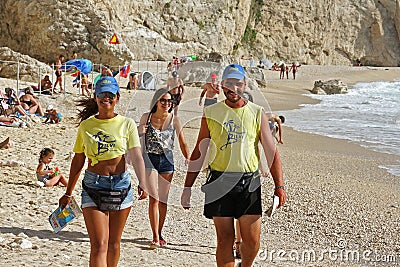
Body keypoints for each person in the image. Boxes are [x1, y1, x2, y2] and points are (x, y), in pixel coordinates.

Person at [181, 64, 286, 267]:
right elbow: (198, 152)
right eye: (229, 83)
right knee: (225, 239)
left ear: (244, 85)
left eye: (238, 83)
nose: (233, 88)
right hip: (219, 181)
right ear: (222, 85)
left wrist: (279, 186)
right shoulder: (211, 112)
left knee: (252, 241)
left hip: (249, 182)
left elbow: (271, 152)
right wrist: (187, 187)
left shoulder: (257, 112)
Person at [58, 76, 148, 266]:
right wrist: (68, 192)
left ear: (117, 97)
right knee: (99, 245)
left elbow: (136, 155)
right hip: (93, 185)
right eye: (102, 94)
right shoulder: (86, 126)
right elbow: (78, 159)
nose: (106, 98)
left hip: (121, 185)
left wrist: (143, 182)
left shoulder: (127, 124)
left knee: (114, 244)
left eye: (110, 94)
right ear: (95, 97)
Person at [138, 88, 190, 249]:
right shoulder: (146, 118)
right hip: (150, 160)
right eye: (163, 100)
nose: (167, 104)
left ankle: (160, 233)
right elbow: (138, 142)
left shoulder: (175, 119)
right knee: (153, 198)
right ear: (156, 101)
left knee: (163, 200)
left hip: (167, 161)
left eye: (169, 101)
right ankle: (154, 236)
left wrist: (189, 158)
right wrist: (139, 132)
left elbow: (182, 141)